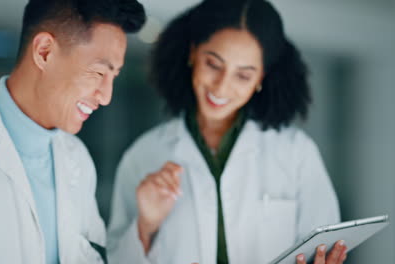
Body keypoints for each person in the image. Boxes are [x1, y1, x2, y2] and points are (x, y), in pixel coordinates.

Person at [107, 0, 347, 263]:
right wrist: (146, 225)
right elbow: (118, 258)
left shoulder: (296, 153)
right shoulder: (144, 156)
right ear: (193, 53)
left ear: (261, 79)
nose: (222, 87)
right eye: (213, 64)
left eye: (243, 75)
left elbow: (322, 249)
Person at [0, 0, 145, 263]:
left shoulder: (77, 158)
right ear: (44, 52)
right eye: (98, 72)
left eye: (114, 76)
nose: (106, 96)